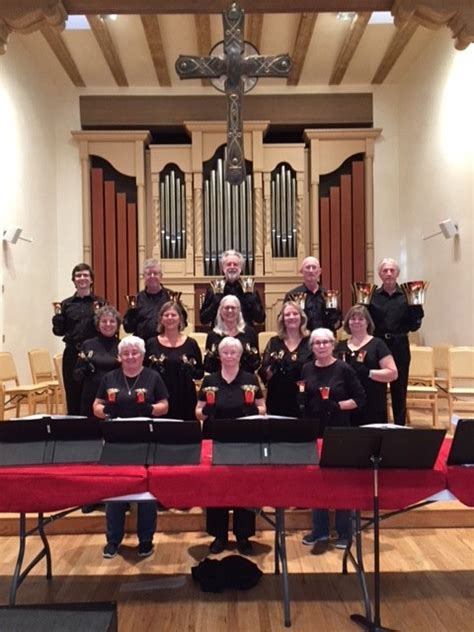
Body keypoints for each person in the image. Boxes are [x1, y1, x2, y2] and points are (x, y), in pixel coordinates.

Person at [93, 335, 169, 560]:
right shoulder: (110, 378)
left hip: (145, 438)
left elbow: (165, 405)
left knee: (146, 491)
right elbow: (96, 405)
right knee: (115, 490)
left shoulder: (153, 377)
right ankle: (113, 540)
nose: (130, 357)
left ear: (143, 355)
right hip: (117, 439)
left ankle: (146, 540)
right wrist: (104, 411)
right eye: (126, 353)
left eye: (135, 353)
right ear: (120, 356)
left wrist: (151, 408)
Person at [196, 337, 266, 555]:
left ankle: (243, 536)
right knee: (216, 487)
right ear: (219, 355)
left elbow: (263, 407)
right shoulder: (210, 380)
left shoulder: (250, 378)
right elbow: (197, 411)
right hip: (215, 438)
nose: (228, 356)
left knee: (243, 486)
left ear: (239, 355)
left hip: (244, 438)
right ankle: (219, 535)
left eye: (233, 353)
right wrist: (206, 411)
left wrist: (254, 411)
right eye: (225, 352)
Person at [300, 328, 365, 553]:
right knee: (317, 481)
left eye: (325, 342)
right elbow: (303, 392)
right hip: (315, 430)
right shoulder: (307, 368)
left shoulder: (343, 368)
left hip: (339, 431)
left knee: (340, 481)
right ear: (312, 347)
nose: (321, 346)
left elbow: (360, 399)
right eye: (316, 343)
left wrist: (338, 405)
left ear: (333, 344)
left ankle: (345, 532)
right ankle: (320, 530)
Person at [367, 258, 424, 425]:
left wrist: (416, 309)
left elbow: (414, 327)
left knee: (399, 389)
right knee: (378, 389)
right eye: (385, 271)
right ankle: (379, 424)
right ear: (380, 274)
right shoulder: (372, 297)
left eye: (392, 270)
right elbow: (366, 322)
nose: (389, 273)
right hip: (378, 346)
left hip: (400, 345)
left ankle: (399, 426)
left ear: (397, 273)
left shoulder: (407, 296)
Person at [52, 263, 105, 415]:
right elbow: (59, 332)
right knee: (73, 392)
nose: (82, 278)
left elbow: (106, 329)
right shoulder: (66, 304)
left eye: (85, 275)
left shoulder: (100, 303)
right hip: (72, 354)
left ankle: (95, 428)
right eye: (78, 276)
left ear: (91, 280)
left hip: (95, 353)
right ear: (73, 280)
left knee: (94, 392)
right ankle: (74, 429)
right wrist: (57, 321)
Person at [336, 305, 398, 425]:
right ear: (347, 323)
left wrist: (369, 373)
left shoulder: (377, 344)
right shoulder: (340, 346)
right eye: (352, 319)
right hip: (347, 402)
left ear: (368, 322)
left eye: (361, 319)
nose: (356, 322)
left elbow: (393, 374)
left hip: (372, 401)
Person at [145, 301, 204, 420]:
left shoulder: (191, 344)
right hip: (159, 395)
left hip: (185, 395)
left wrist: (191, 369)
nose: (170, 318)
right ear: (161, 319)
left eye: (173, 315)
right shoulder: (151, 343)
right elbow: (145, 372)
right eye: (166, 315)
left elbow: (199, 374)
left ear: (180, 319)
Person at [259, 301, 312, 417]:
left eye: (295, 314)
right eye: (287, 315)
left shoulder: (310, 341)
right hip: (278, 398)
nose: (291, 317)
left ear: (301, 317)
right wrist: (272, 367)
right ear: (282, 319)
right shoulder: (274, 342)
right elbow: (264, 374)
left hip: (304, 399)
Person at [74, 305, 122, 417]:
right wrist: (85, 367)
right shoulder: (88, 344)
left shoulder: (122, 345)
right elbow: (76, 375)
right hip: (91, 394)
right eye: (104, 321)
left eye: (112, 321)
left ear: (118, 325)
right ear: (98, 325)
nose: (108, 324)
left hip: (116, 394)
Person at [123, 258, 187, 341]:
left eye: (155, 273)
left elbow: (183, 324)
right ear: (143, 277)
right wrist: (131, 314)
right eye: (149, 274)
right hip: (143, 345)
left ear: (161, 276)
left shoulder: (171, 297)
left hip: (167, 344)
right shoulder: (136, 299)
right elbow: (128, 328)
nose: (152, 276)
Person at [200, 249, 265, 327]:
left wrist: (252, 301)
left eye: (235, 264)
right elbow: (203, 320)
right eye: (228, 264)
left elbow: (260, 319)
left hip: (245, 334)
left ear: (240, 268)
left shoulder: (250, 289)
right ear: (223, 268)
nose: (232, 267)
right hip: (220, 334)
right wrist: (215, 303)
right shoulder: (214, 289)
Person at [203, 295, 260, 374]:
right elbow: (207, 366)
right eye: (226, 308)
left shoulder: (250, 333)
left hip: (245, 380)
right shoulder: (212, 335)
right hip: (219, 382)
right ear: (220, 311)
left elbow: (256, 363)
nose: (230, 311)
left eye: (233, 308)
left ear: (239, 311)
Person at [284, 256, 341, 332]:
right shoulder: (292, 296)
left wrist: (333, 315)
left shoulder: (329, 296)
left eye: (314, 267)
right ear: (301, 271)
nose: (311, 270)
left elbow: (338, 322)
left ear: (319, 271)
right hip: (302, 340)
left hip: (324, 339)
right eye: (308, 267)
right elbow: (283, 319)